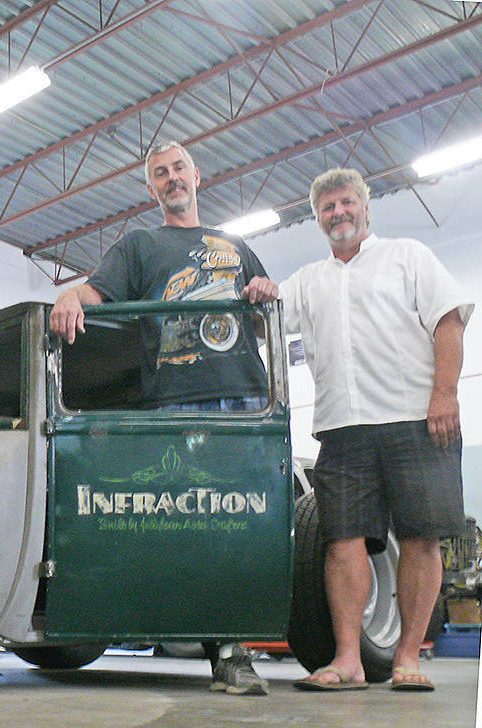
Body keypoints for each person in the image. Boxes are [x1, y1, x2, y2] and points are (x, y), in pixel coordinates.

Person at [50, 140, 278, 695]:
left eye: (178, 169)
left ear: (197, 176)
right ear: (150, 188)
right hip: (173, 402)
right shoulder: (140, 245)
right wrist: (70, 296)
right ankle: (211, 643)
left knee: (241, 527)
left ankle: (231, 651)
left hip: (245, 395)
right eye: (160, 173)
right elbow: (95, 291)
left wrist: (265, 289)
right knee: (188, 523)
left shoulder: (236, 245)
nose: (172, 178)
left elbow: (267, 305)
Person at [282, 168, 472, 692]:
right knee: (341, 543)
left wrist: (445, 393)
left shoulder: (408, 257)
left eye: (347, 203)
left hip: (418, 419)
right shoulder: (308, 281)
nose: (338, 213)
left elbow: (448, 320)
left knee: (419, 537)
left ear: (367, 209)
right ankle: (349, 659)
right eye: (327, 207)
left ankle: (407, 657)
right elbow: (267, 314)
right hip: (342, 428)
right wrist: (257, 288)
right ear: (317, 218)